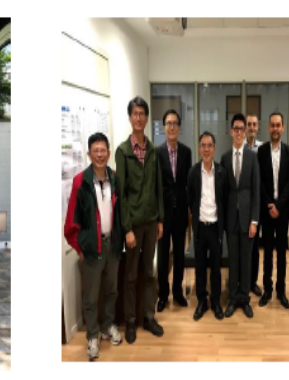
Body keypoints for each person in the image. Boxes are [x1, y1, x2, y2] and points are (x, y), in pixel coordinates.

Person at [64, 132, 123, 361]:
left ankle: (108, 327)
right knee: (90, 297)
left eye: (103, 150)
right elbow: (72, 219)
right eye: (95, 151)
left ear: (109, 153)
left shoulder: (115, 178)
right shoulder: (81, 181)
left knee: (111, 291)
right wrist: (79, 248)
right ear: (89, 154)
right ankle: (91, 336)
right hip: (91, 249)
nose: (100, 155)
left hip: (112, 246)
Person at [114, 96, 164, 343]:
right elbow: (121, 194)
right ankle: (131, 321)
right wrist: (127, 229)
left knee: (149, 273)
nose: (139, 118)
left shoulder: (153, 150)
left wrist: (160, 219)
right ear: (130, 117)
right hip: (133, 225)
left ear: (146, 117)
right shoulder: (123, 152)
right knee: (131, 275)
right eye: (135, 113)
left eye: (142, 113)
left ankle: (149, 316)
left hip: (151, 222)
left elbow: (158, 187)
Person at [221, 113, 260, 319]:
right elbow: (223, 191)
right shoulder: (225, 157)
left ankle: (244, 298)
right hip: (230, 218)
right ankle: (233, 298)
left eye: (241, 129)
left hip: (247, 219)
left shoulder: (253, 157)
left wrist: (255, 220)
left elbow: (256, 190)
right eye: (235, 128)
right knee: (233, 259)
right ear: (231, 131)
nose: (238, 132)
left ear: (246, 132)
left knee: (246, 259)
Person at [187, 131, 227, 321]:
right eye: (203, 145)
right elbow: (191, 200)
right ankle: (202, 301)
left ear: (214, 148)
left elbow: (224, 199)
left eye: (209, 145)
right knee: (200, 267)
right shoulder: (193, 172)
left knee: (216, 267)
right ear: (199, 148)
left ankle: (216, 301)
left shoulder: (221, 172)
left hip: (216, 227)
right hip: (200, 228)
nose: (206, 149)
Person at [257, 112, 289, 309]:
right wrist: (269, 204)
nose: (275, 129)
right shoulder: (261, 151)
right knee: (268, 252)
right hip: (266, 210)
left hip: (282, 212)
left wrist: (279, 205)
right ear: (268, 128)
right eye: (272, 125)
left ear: (283, 127)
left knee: (281, 252)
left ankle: (281, 290)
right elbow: (260, 181)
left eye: (278, 125)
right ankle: (267, 289)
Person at [155, 109, 191, 311]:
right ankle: (162, 295)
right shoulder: (157, 153)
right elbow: (156, 186)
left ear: (179, 127)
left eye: (175, 123)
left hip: (180, 213)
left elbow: (186, 183)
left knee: (179, 254)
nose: (171, 127)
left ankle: (177, 292)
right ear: (163, 127)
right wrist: (158, 217)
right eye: (168, 123)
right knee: (162, 257)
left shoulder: (186, 152)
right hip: (163, 214)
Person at [245, 114, 264, 297]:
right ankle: (241, 279)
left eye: (253, 125)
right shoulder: (239, 147)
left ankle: (253, 282)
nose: (251, 127)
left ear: (258, 127)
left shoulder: (262, 149)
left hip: (256, 203)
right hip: (242, 204)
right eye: (248, 124)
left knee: (255, 245)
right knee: (243, 245)